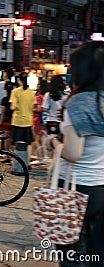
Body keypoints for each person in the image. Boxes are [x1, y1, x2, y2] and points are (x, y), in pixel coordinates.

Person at [47, 41, 104, 267]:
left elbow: (73, 152)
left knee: (72, 255)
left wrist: (52, 142)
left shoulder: (80, 102)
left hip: (77, 188)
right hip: (102, 188)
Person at [9, 72, 37, 164]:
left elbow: (12, 107)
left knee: (15, 143)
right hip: (28, 121)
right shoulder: (31, 92)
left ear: (19, 80)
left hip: (18, 121)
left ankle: (16, 163)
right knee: (28, 143)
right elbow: (33, 107)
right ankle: (27, 163)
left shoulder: (15, 91)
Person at [31, 79, 50, 165]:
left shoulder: (38, 97)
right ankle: (45, 156)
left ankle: (40, 157)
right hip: (45, 120)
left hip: (37, 120)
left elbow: (38, 109)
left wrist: (31, 108)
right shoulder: (47, 97)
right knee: (43, 139)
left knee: (36, 140)